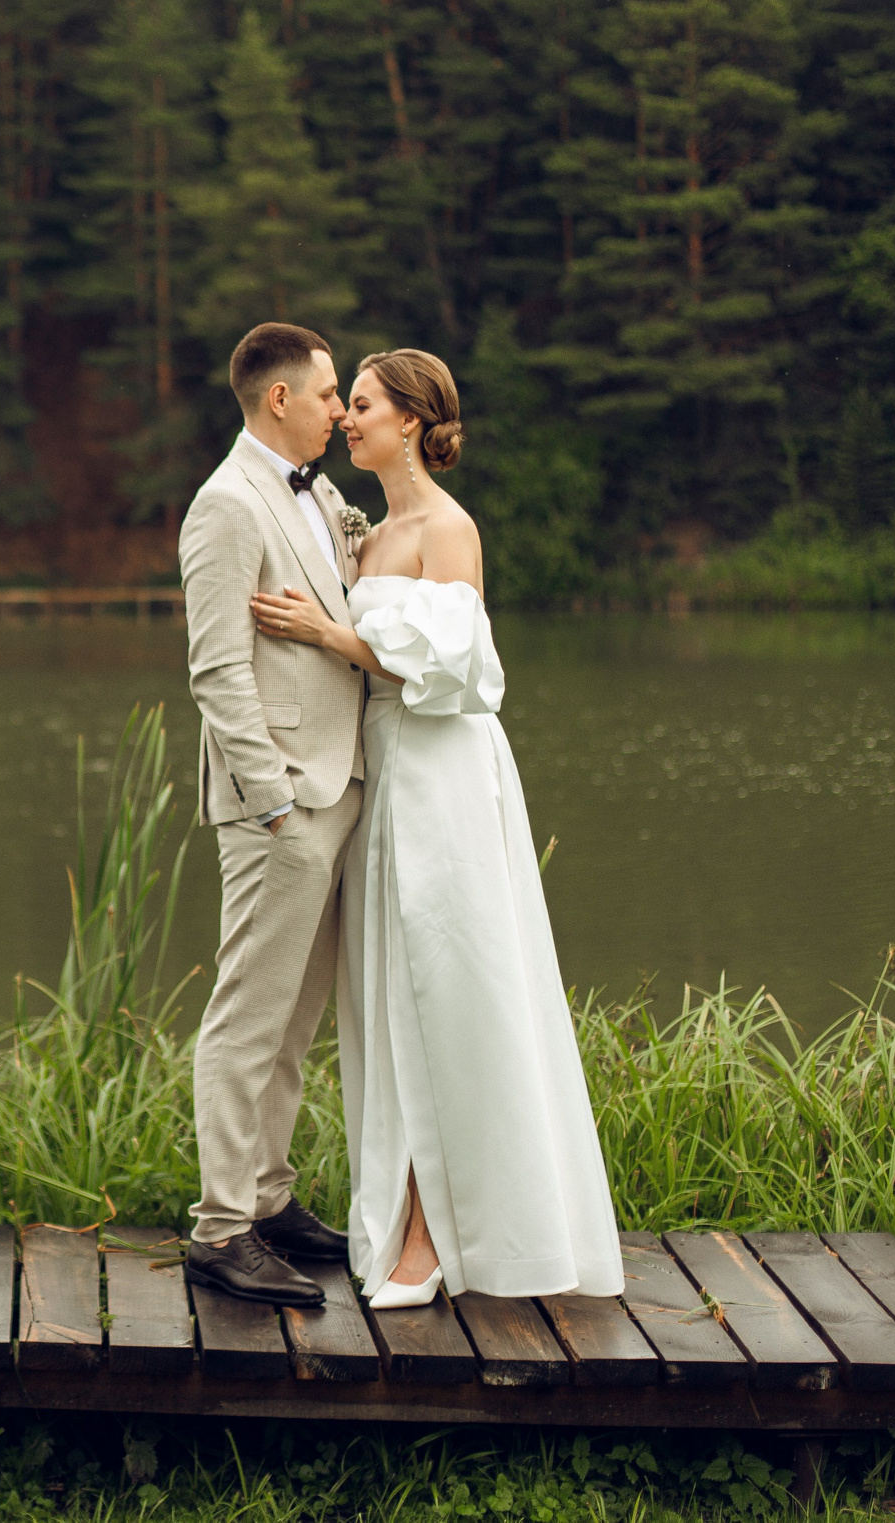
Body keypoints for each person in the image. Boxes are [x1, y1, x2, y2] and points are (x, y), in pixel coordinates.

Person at [249, 349, 621, 1308]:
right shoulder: (368, 534)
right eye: (344, 403)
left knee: (450, 996)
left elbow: (460, 673)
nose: (346, 419)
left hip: (446, 776)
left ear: (411, 420)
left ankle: (432, 1238)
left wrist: (329, 633)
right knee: (393, 1001)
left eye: (361, 404)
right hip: (387, 778)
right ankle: (411, 1224)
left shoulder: (451, 530)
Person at [175, 322, 369, 1310]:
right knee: (247, 1019)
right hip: (282, 804)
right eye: (331, 393)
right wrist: (273, 803)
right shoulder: (223, 506)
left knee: (292, 1023)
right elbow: (216, 670)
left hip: (342, 786)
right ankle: (218, 1230)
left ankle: (267, 1196)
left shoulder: (317, 493)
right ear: (281, 399)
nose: (341, 410)